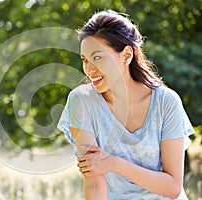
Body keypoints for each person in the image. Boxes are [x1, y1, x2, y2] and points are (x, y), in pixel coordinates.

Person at [57, 9, 194, 200]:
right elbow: (95, 182)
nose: (89, 70)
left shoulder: (166, 102)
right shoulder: (81, 102)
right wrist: (104, 164)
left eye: (97, 58)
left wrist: (114, 164)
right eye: (84, 60)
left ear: (127, 55)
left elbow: (172, 187)